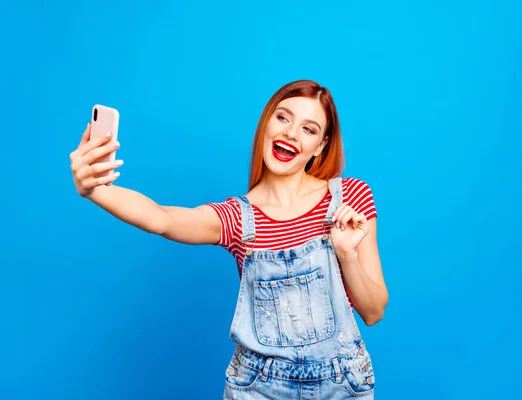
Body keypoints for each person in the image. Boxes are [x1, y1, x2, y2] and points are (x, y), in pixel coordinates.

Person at [69, 79, 388, 399]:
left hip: (342, 386)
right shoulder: (236, 218)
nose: (291, 133)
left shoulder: (349, 199)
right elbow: (161, 219)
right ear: (266, 123)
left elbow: (374, 312)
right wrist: (95, 190)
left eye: (309, 129)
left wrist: (346, 253)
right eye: (283, 117)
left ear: (320, 146)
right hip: (260, 388)